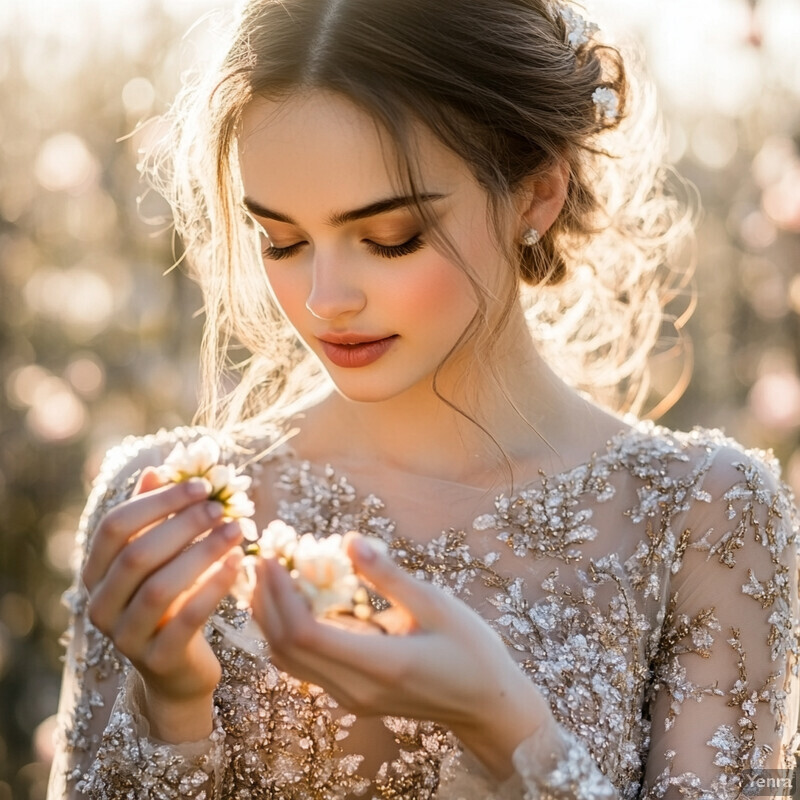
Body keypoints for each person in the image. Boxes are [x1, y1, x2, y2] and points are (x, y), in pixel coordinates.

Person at [47, 0, 800, 798]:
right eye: (283, 241)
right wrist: (169, 708)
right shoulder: (165, 511)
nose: (325, 298)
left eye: (391, 236)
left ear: (538, 194)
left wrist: (508, 730)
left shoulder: (704, 518)